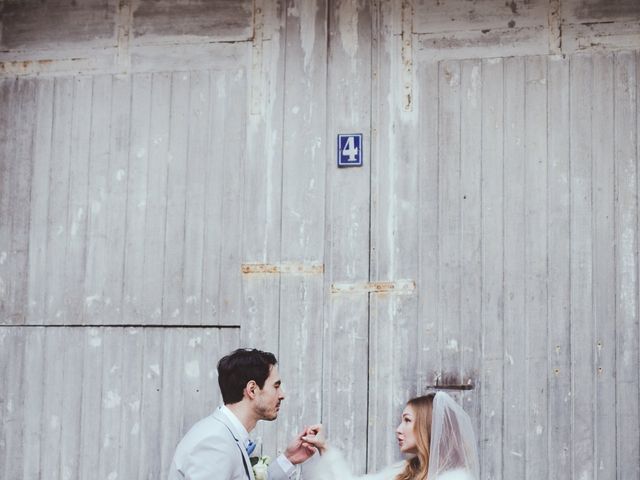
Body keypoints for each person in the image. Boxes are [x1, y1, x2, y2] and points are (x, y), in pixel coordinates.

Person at [168, 348, 321, 480]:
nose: (282, 394)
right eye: (276, 386)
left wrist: (289, 459)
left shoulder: (224, 434)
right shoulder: (214, 442)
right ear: (252, 389)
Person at [302, 392, 479, 480]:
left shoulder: (455, 477)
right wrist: (324, 446)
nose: (398, 429)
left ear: (427, 426)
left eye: (407, 421)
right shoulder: (405, 470)